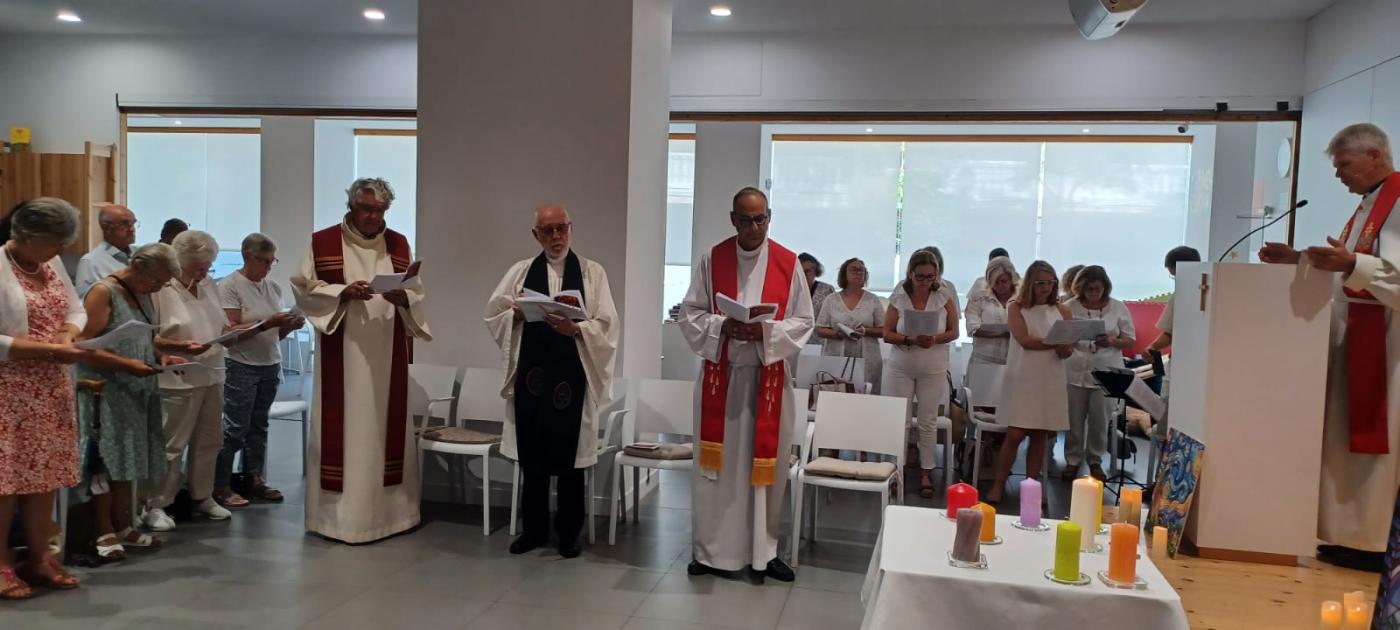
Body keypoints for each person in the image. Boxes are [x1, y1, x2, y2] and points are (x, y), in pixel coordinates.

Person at [1259, 123, 1400, 572]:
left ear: (1375, 155)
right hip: (1355, 336)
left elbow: (1383, 273)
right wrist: (1299, 259)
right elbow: (1349, 270)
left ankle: (1374, 544)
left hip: (1388, 347)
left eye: (1344, 164)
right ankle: (1348, 536)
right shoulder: (1369, 205)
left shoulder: (1397, 201)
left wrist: (1353, 262)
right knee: (1343, 444)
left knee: (1374, 448)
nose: (1338, 174)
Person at [0, 198, 137, 597]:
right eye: (54, 242)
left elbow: (75, 308)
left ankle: (40, 558)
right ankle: (1, 564)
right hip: (10, 388)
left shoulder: (51, 263)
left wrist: (67, 333)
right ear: (26, 235)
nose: (60, 250)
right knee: (6, 481)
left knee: (44, 477)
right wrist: (42, 349)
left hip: (52, 386)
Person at [679, 186, 813, 582]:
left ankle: (764, 553)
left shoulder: (788, 263)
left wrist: (764, 332)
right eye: (746, 219)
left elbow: (804, 321)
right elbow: (690, 313)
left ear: (769, 217)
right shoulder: (712, 258)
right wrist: (724, 325)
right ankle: (709, 552)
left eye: (761, 219)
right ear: (732, 219)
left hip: (767, 383)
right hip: (721, 381)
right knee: (716, 472)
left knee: (764, 472)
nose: (755, 227)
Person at [291, 177, 431, 544]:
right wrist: (343, 292)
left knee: (385, 431)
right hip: (344, 355)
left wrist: (405, 299)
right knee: (346, 432)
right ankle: (339, 521)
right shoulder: (322, 242)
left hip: (387, 353)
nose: (374, 217)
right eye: (367, 209)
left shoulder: (398, 243)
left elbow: (416, 291)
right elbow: (304, 289)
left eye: (381, 210)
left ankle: (392, 517)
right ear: (352, 206)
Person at [484, 205, 619, 558]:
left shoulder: (591, 273)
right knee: (534, 458)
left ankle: (569, 534)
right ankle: (533, 531)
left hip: (573, 376)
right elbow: (493, 314)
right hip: (533, 378)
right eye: (548, 230)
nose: (556, 236)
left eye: (561, 228)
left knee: (571, 462)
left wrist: (576, 328)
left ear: (571, 228)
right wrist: (515, 313)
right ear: (536, 235)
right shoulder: (520, 272)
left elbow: (607, 324)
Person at [77, 242, 187, 560]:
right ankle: (103, 529)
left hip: (135, 388)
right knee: (105, 462)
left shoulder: (142, 292)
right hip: (104, 390)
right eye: (156, 280)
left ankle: (124, 525)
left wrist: (164, 356)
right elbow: (82, 345)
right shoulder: (103, 292)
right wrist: (126, 365)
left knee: (128, 460)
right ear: (137, 267)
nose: (158, 287)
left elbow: (144, 339)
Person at [142, 231, 244, 531]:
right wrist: (176, 349)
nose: (203, 273)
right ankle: (156, 503)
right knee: (172, 443)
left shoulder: (209, 284)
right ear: (179, 264)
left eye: (208, 266)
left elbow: (220, 322)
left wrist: (230, 333)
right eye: (197, 268)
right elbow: (148, 335)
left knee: (210, 439)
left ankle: (202, 495)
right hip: (178, 375)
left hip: (212, 370)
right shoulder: (162, 288)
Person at [215, 234, 303, 508]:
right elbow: (229, 333)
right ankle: (221, 484)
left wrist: (288, 326)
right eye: (263, 261)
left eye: (271, 261)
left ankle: (253, 477)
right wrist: (267, 323)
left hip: (269, 363)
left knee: (259, 425)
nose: (268, 267)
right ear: (247, 257)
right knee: (235, 428)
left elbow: (274, 336)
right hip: (240, 364)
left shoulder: (273, 287)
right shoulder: (229, 286)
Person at [986, 260, 1072, 504]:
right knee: (1015, 434)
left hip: (1050, 376)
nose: (1046, 288)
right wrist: (1055, 342)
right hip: (1023, 375)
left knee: (1039, 434)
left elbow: (1067, 348)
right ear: (1030, 284)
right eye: (1040, 283)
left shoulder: (1062, 310)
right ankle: (998, 485)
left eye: (1050, 283)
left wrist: (1066, 347)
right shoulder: (1016, 307)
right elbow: (1024, 340)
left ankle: (1031, 488)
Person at [885, 251, 960, 498]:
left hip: (933, 365)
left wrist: (934, 338)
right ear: (910, 273)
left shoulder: (943, 294)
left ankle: (927, 471)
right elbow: (887, 333)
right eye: (920, 277)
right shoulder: (899, 295)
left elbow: (954, 332)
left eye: (930, 277)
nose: (926, 281)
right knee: (901, 420)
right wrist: (910, 339)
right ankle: (898, 470)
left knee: (928, 420)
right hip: (902, 364)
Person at [1061, 266, 1136, 481]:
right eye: (1088, 289)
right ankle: (1072, 460)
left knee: (1100, 420)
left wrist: (1112, 341)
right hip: (1075, 369)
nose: (1093, 293)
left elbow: (1130, 339)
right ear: (1080, 288)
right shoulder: (1069, 306)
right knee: (1073, 419)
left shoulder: (1117, 307)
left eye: (1097, 288)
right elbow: (1060, 335)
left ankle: (1095, 461)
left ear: (1105, 287)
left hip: (1106, 370)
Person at [814, 258, 884, 395]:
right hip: (836, 355)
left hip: (867, 358)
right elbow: (819, 329)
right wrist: (837, 334)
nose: (858, 273)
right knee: (835, 394)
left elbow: (883, 330)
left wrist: (865, 331)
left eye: (861, 270)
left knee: (865, 396)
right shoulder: (831, 299)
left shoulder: (873, 299)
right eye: (853, 269)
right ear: (844, 274)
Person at [1146, 246, 1201, 356]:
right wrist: (1153, 347)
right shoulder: (1218, 291)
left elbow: (1169, 333)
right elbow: (1170, 333)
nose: (1176, 279)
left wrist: (1153, 347)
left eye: (1175, 275)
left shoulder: (1182, 295)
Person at [965, 256, 1018, 369]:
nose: (1000, 286)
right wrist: (1003, 334)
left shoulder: (1022, 298)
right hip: (983, 359)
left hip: (1014, 360)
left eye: (1004, 281)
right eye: (995, 282)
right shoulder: (979, 296)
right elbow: (972, 328)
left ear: (1012, 279)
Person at [75, 204, 138, 296]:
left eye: (133, 223)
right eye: (125, 224)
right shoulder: (90, 262)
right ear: (106, 228)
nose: (132, 229)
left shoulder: (141, 254)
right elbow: (85, 300)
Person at [799, 253, 834, 331]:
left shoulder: (827, 289)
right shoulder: (791, 290)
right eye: (801, 271)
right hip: (796, 336)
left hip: (820, 336)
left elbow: (834, 316)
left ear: (816, 271)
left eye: (808, 271)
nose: (804, 275)